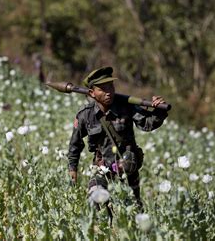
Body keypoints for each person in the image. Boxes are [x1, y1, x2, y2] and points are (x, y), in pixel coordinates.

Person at [68, 67, 168, 207]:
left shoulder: (126, 107)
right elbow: (75, 144)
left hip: (127, 170)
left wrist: (158, 110)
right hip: (102, 169)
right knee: (94, 202)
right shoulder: (86, 115)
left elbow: (147, 124)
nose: (109, 92)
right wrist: (73, 169)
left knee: (133, 211)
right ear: (92, 93)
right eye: (103, 89)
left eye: (111, 86)